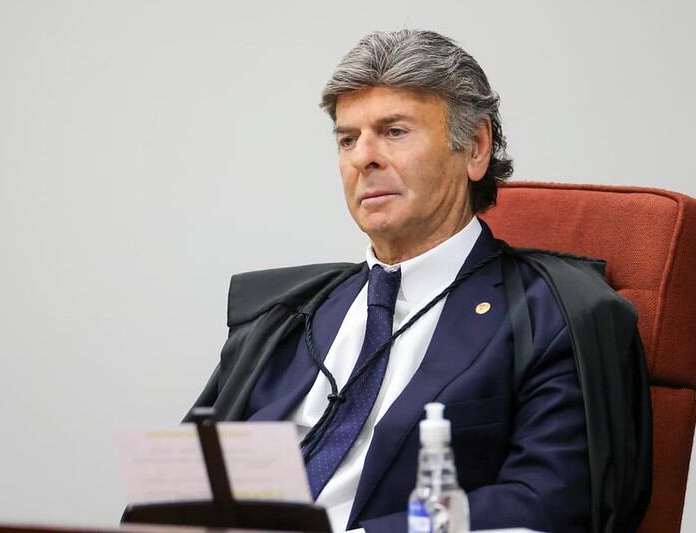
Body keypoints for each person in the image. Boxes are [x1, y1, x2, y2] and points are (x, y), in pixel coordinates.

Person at [187, 30, 651, 533]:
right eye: (347, 139)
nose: (363, 157)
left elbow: (546, 502)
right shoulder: (285, 316)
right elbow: (183, 483)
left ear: (475, 148)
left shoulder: (554, 315)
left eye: (394, 131)